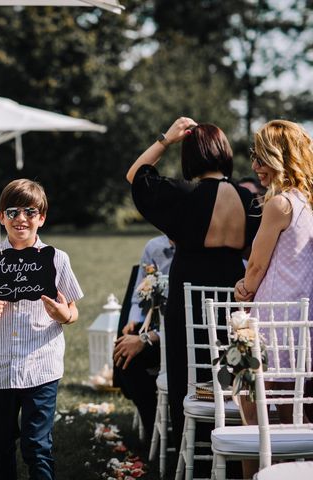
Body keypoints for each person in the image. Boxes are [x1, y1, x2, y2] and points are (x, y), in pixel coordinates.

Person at [126, 117, 261, 456]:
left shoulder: (182, 194)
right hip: (232, 297)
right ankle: (232, 454)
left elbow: (136, 175)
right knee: (230, 377)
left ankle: (189, 454)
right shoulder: (249, 201)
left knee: (189, 379)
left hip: (188, 296)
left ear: (192, 157)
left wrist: (165, 139)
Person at [0, 179, 83, 480]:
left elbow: (74, 311)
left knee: (36, 445)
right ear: (1, 217)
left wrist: (64, 313)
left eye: (29, 211)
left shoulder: (56, 259)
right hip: (1, 369)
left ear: (41, 217)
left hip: (42, 368)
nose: (21, 219)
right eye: (12, 211)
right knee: (0, 444)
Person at [234, 120, 313, 477]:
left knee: (252, 412)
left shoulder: (279, 204)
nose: (255, 166)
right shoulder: (307, 203)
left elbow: (256, 265)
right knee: (289, 418)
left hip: (272, 323)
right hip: (299, 324)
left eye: (260, 157)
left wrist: (243, 290)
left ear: (278, 157)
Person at [113, 234, 174, 440]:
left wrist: (148, 338)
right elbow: (141, 289)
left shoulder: (200, 249)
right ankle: (154, 427)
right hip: (155, 327)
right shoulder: (154, 246)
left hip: (182, 338)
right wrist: (133, 321)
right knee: (124, 355)